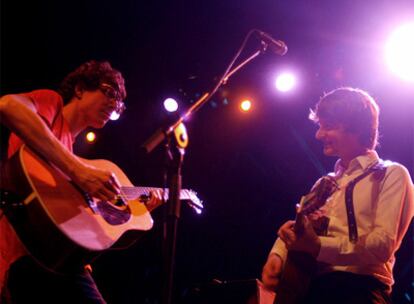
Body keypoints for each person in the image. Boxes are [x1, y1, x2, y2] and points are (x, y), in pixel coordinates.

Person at [0, 60, 159, 303]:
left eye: (120, 104)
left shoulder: (71, 152)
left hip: (52, 257)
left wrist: (134, 215)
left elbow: (81, 230)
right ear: (80, 89)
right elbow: (8, 105)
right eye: (110, 92)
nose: (115, 104)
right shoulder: (51, 105)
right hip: (22, 254)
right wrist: (77, 170)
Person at [261, 87, 414, 303]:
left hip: (360, 291)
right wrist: (279, 252)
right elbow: (302, 229)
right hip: (309, 289)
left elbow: (382, 246)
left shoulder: (392, 173)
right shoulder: (323, 183)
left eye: (329, 127)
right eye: (320, 127)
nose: (319, 134)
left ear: (357, 129)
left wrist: (318, 247)